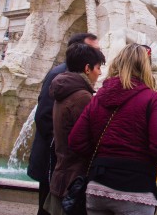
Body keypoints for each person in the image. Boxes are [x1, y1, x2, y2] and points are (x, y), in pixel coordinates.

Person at [68, 43, 157, 215]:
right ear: (146, 67)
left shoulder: (99, 96)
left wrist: (103, 157)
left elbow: (75, 140)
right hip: (136, 188)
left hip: (98, 186)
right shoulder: (152, 98)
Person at [27, 33, 99, 215]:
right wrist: (63, 145)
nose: (97, 53)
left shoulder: (68, 76)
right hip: (53, 158)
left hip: (58, 160)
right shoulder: (61, 74)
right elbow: (43, 116)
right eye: (93, 49)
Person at [43, 42, 106, 214]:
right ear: (87, 68)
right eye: (98, 67)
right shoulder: (82, 97)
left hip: (61, 177)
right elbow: (89, 141)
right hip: (74, 182)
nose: (100, 72)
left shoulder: (65, 91)